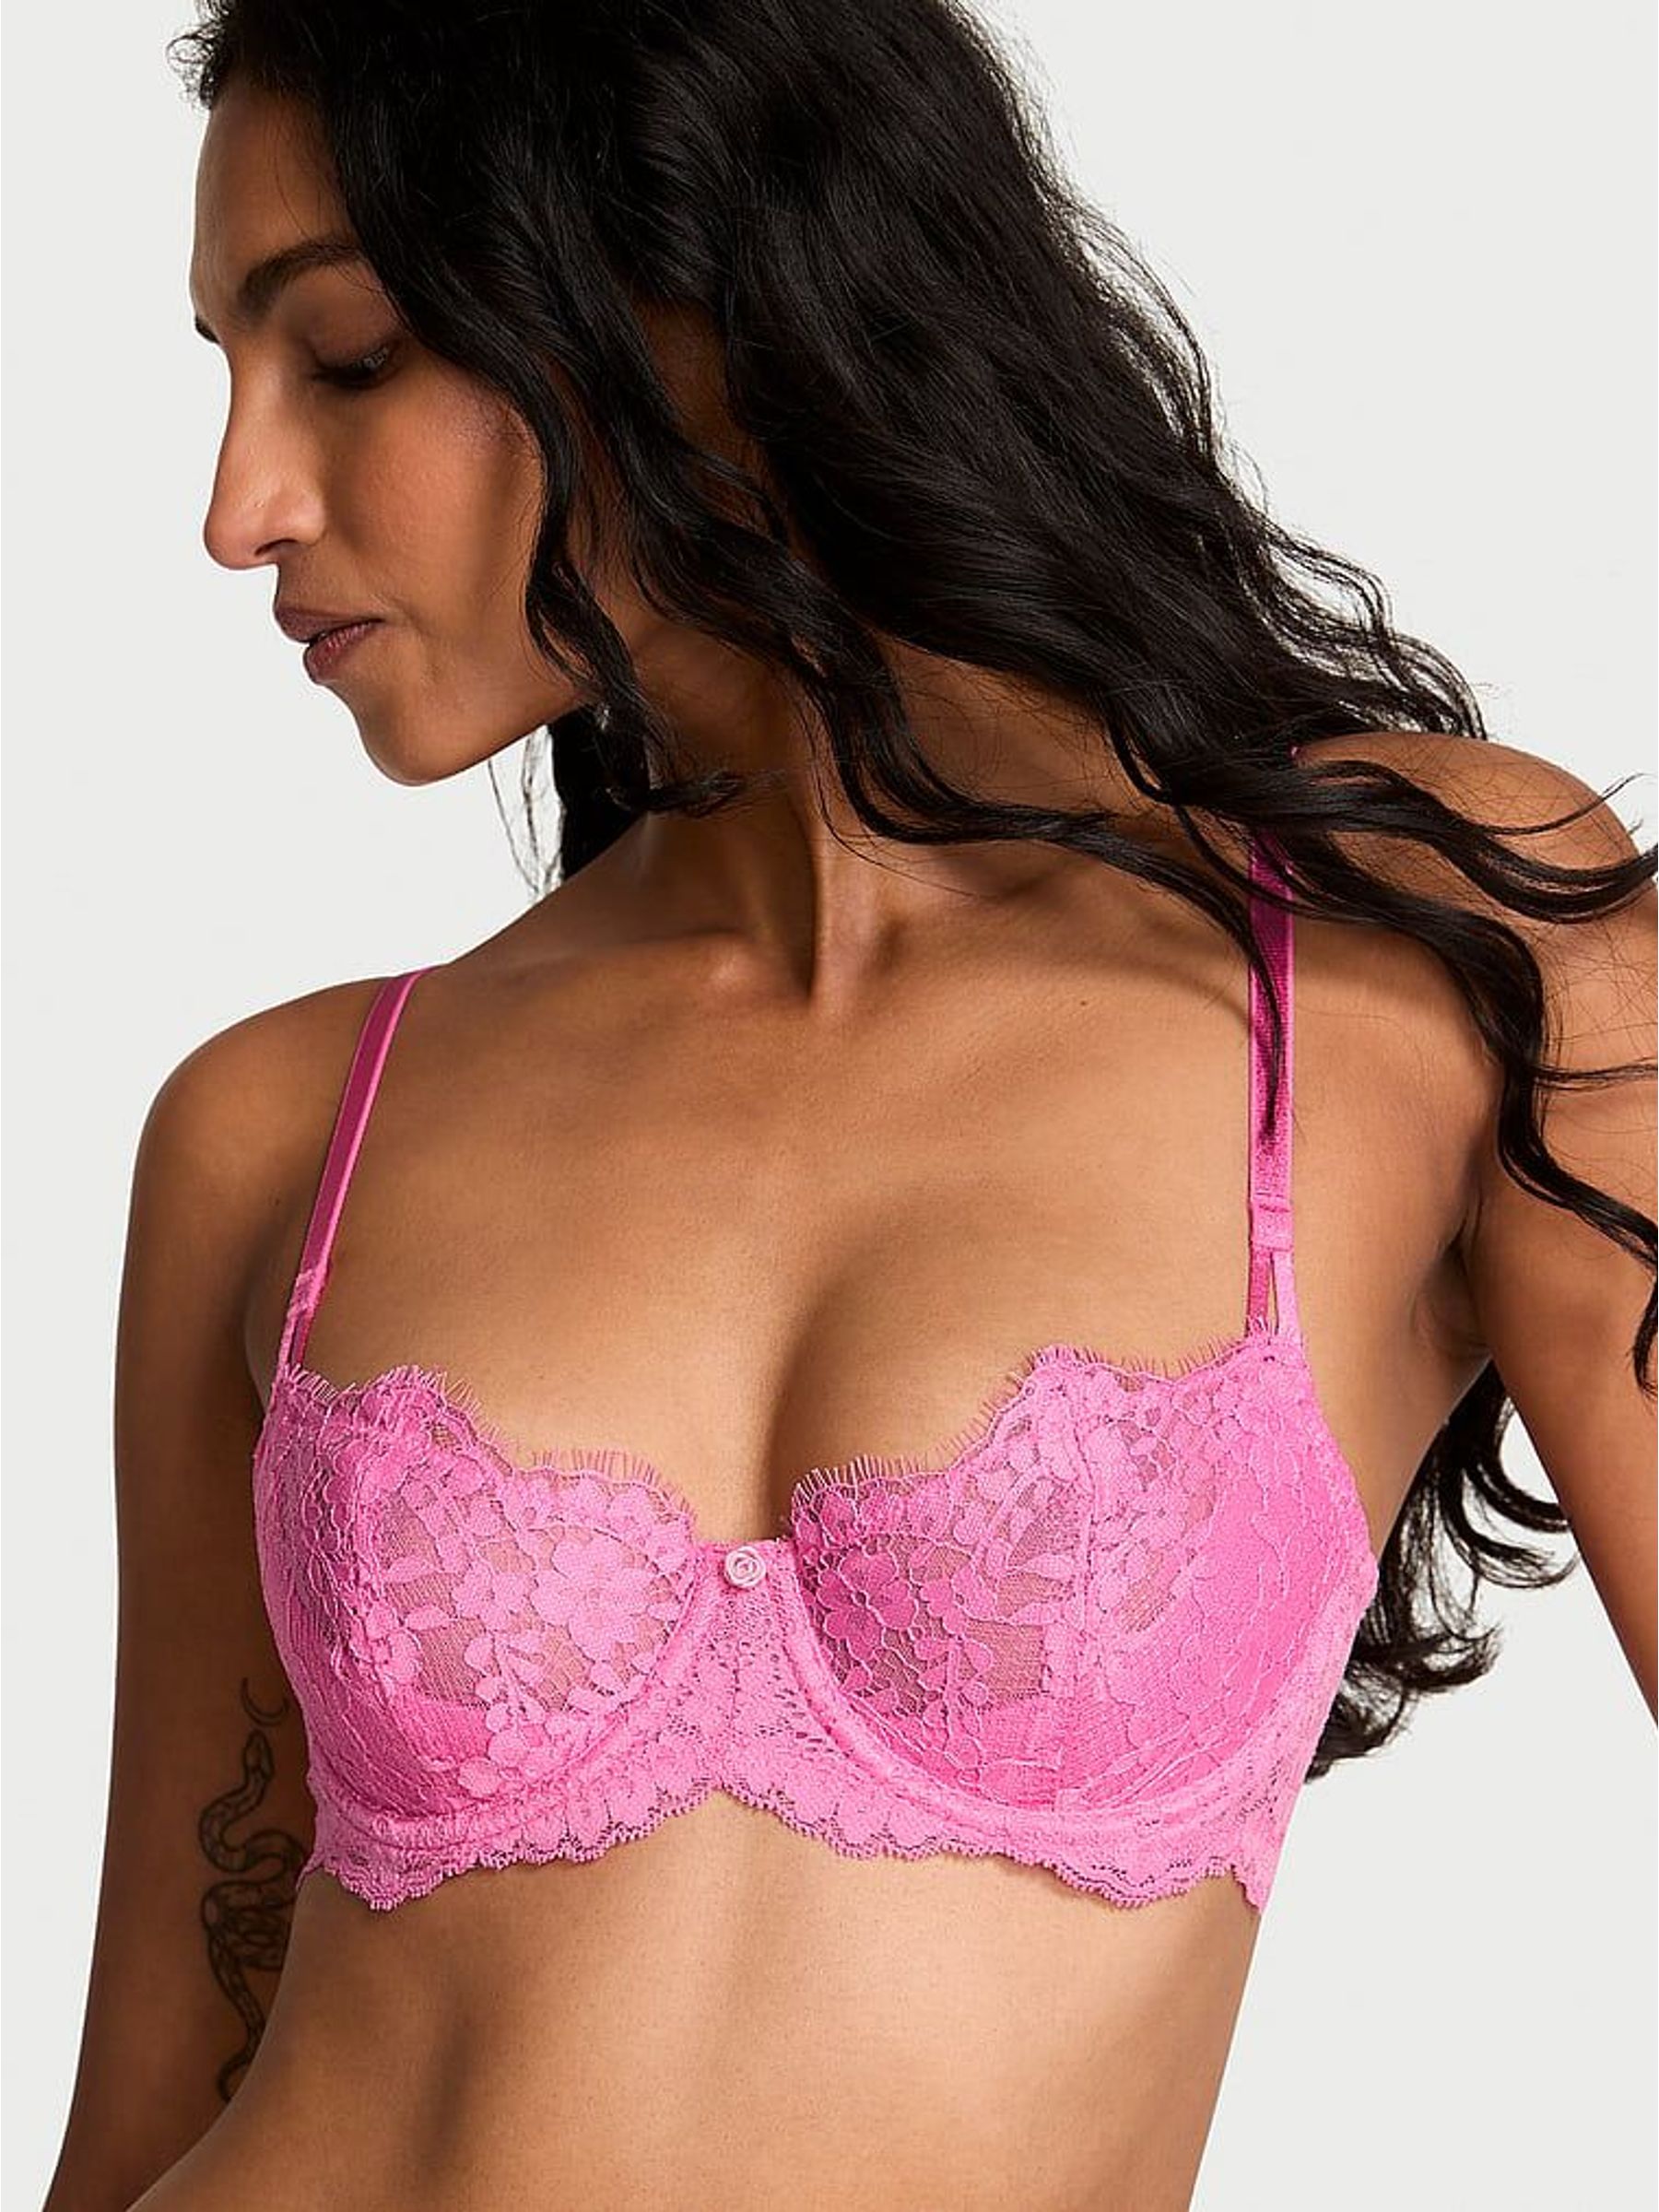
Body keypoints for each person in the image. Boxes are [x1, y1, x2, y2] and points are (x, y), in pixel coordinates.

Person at [45, 3, 1656, 2208]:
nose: (240, 507)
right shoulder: (284, 1128)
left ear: (697, 294)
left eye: (347, 357)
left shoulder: (1438, 949)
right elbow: (151, 2097)